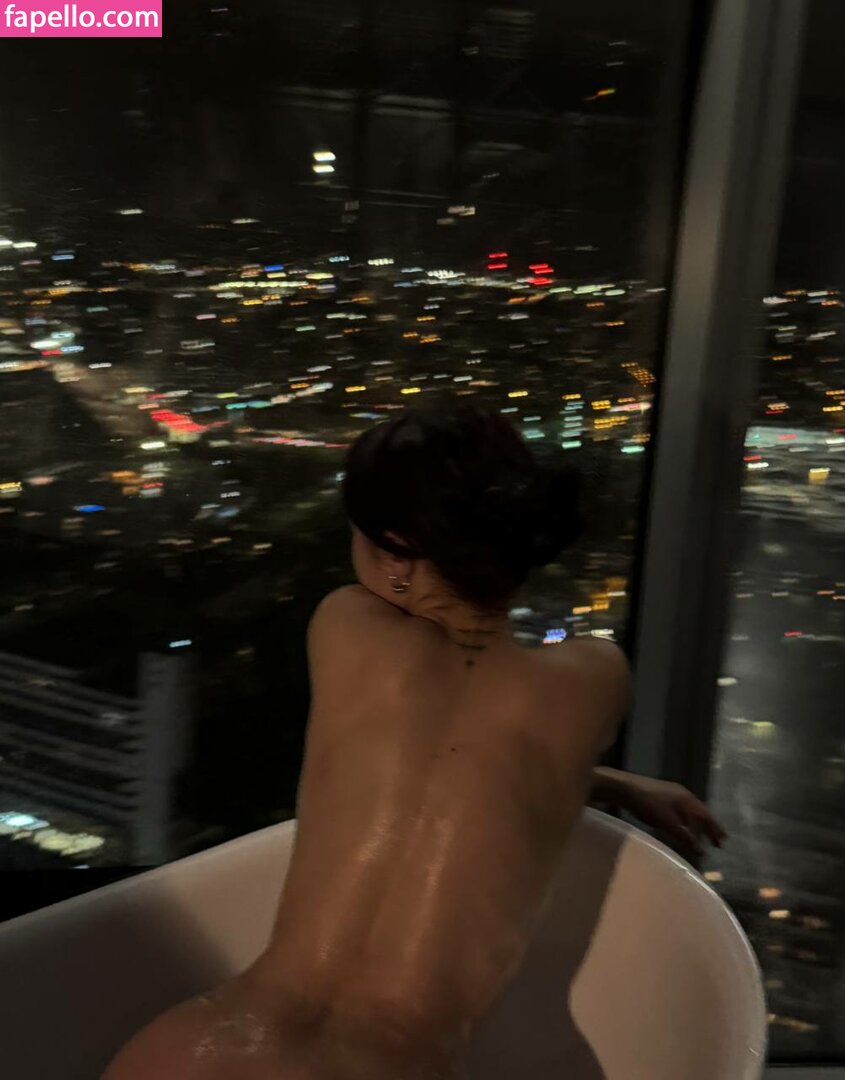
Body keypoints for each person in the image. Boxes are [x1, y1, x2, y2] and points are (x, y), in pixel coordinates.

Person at [102, 397, 725, 1080]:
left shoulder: (344, 626)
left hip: (202, 1047)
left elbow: (430, 752)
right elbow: (499, 768)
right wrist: (620, 783)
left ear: (396, 553)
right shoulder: (594, 677)